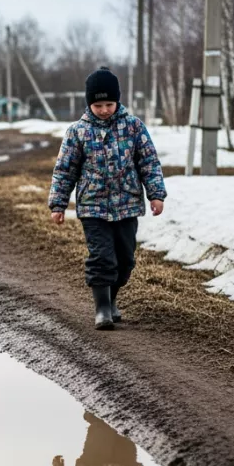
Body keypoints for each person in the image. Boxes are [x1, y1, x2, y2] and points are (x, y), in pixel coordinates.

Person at [48, 66, 167, 330]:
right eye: (98, 104)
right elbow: (65, 170)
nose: (103, 110)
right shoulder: (77, 132)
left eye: (109, 104)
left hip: (127, 205)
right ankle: (102, 309)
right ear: (89, 103)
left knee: (125, 260)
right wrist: (58, 204)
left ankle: (112, 300)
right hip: (93, 207)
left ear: (118, 101)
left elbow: (148, 162)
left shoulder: (134, 127)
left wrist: (156, 194)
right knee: (102, 257)